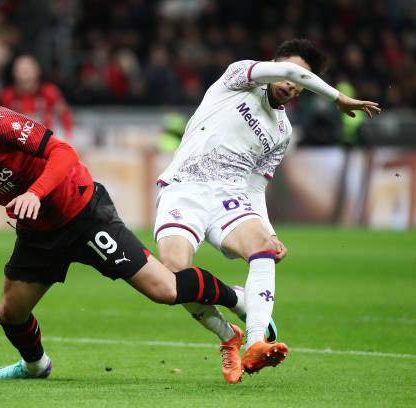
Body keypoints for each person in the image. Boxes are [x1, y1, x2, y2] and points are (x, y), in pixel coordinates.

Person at [0, 92, 252, 382]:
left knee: (165, 290)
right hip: (38, 233)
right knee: (9, 314)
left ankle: (237, 298)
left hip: (84, 214)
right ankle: (36, 366)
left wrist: (35, 193)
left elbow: (63, 153)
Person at [154, 39, 381, 382]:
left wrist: (270, 233)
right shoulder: (238, 79)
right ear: (273, 66)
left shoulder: (282, 131)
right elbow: (290, 71)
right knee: (174, 274)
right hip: (184, 188)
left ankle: (256, 341)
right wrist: (337, 97)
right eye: (290, 74)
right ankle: (228, 331)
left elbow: (256, 187)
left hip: (229, 198)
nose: (292, 83)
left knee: (263, 248)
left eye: (301, 81)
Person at [0, 54, 73, 139]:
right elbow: (0, 123)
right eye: (21, 70)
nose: (24, 75)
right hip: (16, 142)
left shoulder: (50, 92)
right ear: (14, 73)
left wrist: (67, 136)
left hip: (46, 141)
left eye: (27, 70)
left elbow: (64, 114)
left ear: (37, 71)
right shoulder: (7, 95)